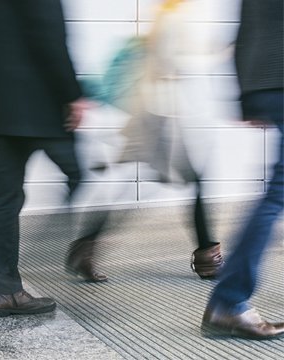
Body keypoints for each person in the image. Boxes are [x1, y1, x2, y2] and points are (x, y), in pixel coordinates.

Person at [66, 0, 223, 282]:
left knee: (146, 185)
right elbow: (169, 61)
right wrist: (212, 54)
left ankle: (85, 246)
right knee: (191, 181)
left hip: (158, 117)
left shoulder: (168, 15)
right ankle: (207, 256)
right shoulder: (171, 17)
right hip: (160, 119)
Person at [0, 0, 88, 318]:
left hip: (5, 100)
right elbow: (48, 32)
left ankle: (3, 291)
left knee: (5, 196)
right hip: (38, 101)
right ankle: (60, 252)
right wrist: (71, 94)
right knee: (84, 176)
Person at [201, 0, 283, 340]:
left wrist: (246, 94)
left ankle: (229, 300)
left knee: (276, 194)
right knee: (277, 195)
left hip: (264, 81)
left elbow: (244, 25)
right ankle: (229, 301)